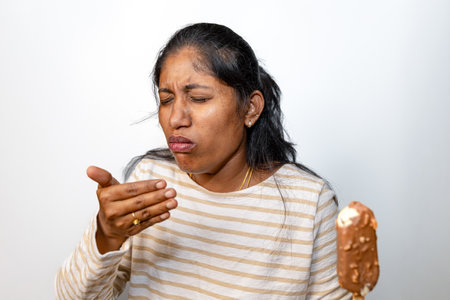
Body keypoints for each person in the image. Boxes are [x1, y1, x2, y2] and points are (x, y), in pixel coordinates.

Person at [55, 23, 351, 299]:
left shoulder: (309, 204)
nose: (175, 119)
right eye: (167, 99)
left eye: (197, 98)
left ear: (250, 108)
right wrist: (107, 236)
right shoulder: (151, 179)